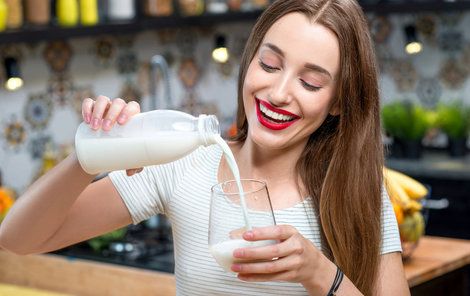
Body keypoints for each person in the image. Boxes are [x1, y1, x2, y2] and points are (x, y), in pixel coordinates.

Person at [0, 0, 410, 295]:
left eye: (311, 82)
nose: (279, 92)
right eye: (269, 65)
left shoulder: (356, 190)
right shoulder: (185, 162)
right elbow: (18, 239)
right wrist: (88, 157)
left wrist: (320, 274)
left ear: (339, 101)